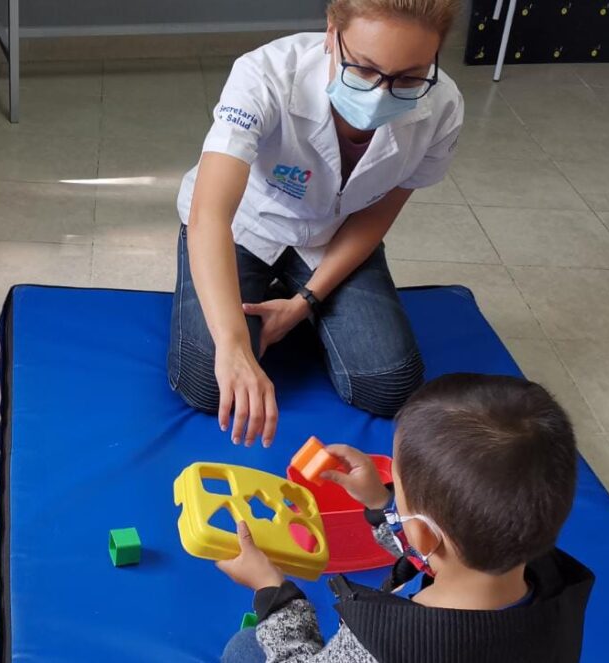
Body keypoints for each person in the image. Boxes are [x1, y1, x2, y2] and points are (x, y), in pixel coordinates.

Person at [169, 0, 465, 447]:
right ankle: (246, 305)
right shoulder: (265, 74)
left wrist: (304, 302)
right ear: (331, 32)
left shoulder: (442, 107)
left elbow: (378, 213)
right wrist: (233, 346)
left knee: (390, 385)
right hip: (246, 227)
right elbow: (209, 214)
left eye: (408, 78)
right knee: (209, 384)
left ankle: (294, 306)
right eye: (363, 68)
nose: (380, 95)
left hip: (334, 235)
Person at [216, 373, 595, 662]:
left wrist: (274, 593)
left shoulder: (382, 645)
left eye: (396, 486)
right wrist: (381, 502)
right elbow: (435, 551)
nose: (393, 494)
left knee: (245, 648)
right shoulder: (553, 588)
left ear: (425, 533)